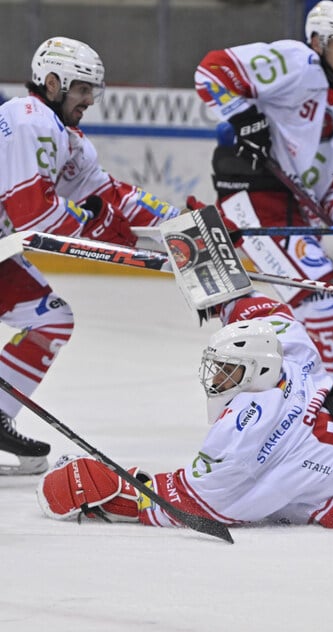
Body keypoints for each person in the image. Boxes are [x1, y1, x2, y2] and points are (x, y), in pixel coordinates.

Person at [36, 290, 333, 529]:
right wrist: (222, 288)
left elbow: (190, 502)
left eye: (226, 371)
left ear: (252, 371)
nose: (215, 381)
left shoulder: (240, 433)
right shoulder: (293, 360)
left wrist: (98, 484)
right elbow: (271, 311)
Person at [0, 36, 180, 475]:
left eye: (91, 92)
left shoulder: (66, 137)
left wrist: (182, 224)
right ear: (54, 82)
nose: (88, 102)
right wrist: (93, 225)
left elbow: (110, 195)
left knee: (50, 319)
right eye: (82, 90)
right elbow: (33, 213)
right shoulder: (28, 120)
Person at [194, 0, 333, 386]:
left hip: (290, 205)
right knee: (319, 294)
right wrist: (244, 117)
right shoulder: (296, 62)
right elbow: (212, 70)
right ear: (316, 41)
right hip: (252, 192)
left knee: (318, 299)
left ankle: (308, 396)